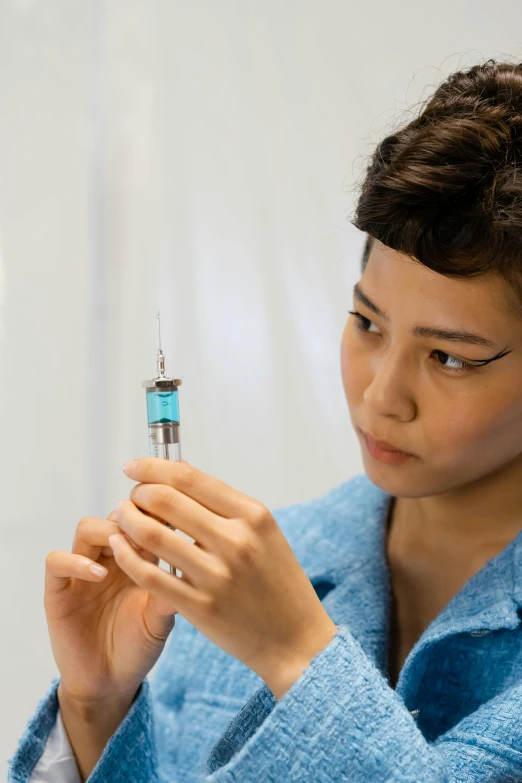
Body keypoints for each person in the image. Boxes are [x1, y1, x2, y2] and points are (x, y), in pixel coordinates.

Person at [9, 57, 522, 782]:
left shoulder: (271, 608)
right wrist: (97, 707)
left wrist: (297, 654)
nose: (381, 395)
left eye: (448, 357)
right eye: (367, 323)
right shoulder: (252, 571)